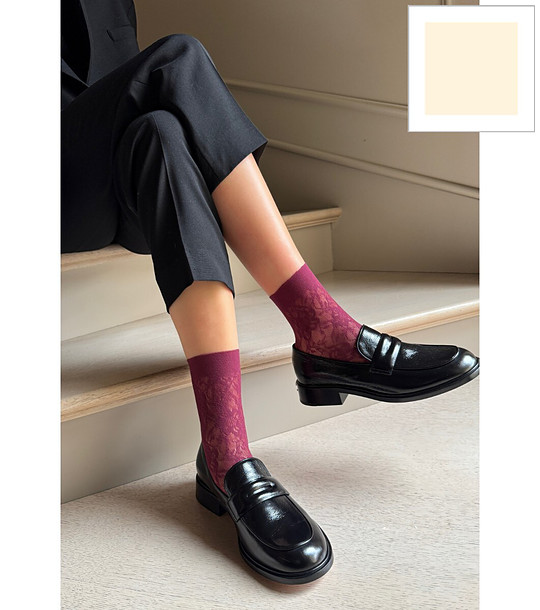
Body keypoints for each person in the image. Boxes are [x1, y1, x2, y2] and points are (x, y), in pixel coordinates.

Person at [61, 0, 479, 585]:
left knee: (161, 132)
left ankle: (224, 452)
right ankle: (322, 332)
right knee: (178, 56)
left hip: (114, 176)